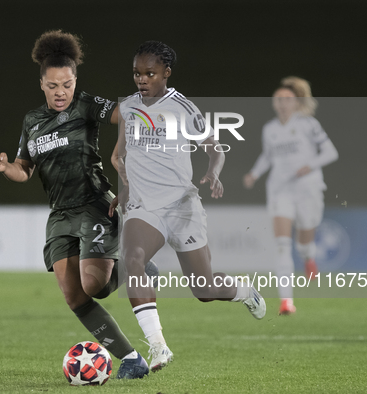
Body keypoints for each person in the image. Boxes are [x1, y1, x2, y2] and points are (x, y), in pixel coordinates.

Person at [0, 30, 150, 379]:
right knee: (74, 296)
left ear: (75, 80)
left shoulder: (87, 105)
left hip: (94, 204)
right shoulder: (32, 122)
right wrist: (7, 168)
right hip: (60, 214)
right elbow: (24, 170)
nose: (60, 92)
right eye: (52, 86)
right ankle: (133, 360)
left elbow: (127, 115)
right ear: (42, 84)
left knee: (95, 286)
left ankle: (140, 264)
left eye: (66, 84)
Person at [109, 41, 266, 372]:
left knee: (204, 288)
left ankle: (245, 291)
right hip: (144, 207)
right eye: (137, 73)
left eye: (149, 73)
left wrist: (212, 172)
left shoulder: (182, 108)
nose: (141, 79)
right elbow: (121, 154)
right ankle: (158, 347)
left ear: (166, 73)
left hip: (181, 206)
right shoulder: (127, 107)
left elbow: (216, 149)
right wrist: (122, 193)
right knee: (133, 259)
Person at [243, 76, 338, 315]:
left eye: (287, 99)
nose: (282, 103)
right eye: (278, 99)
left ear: (296, 102)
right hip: (280, 189)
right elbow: (268, 156)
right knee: (283, 246)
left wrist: (310, 165)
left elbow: (330, 152)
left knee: (304, 241)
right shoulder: (270, 129)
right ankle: (287, 301)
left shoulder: (308, 124)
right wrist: (254, 174)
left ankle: (309, 258)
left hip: (308, 188)